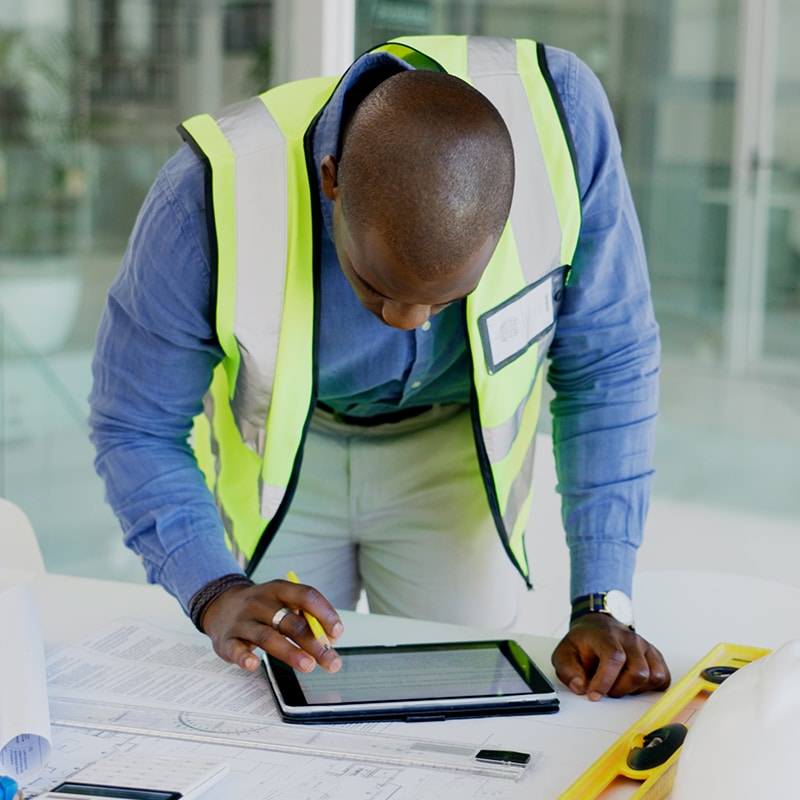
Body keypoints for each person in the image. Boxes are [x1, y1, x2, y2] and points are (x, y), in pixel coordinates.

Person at [89, 35, 670, 702]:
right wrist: (215, 590)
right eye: (377, 284)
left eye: (443, 298)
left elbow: (606, 364)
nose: (406, 320)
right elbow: (135, 423)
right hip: (291, 459)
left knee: (467, 701)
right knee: (268, 695)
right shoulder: (205, 194)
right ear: (331, 181)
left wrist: (601, 602)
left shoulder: (562, 123)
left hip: (452, 450)